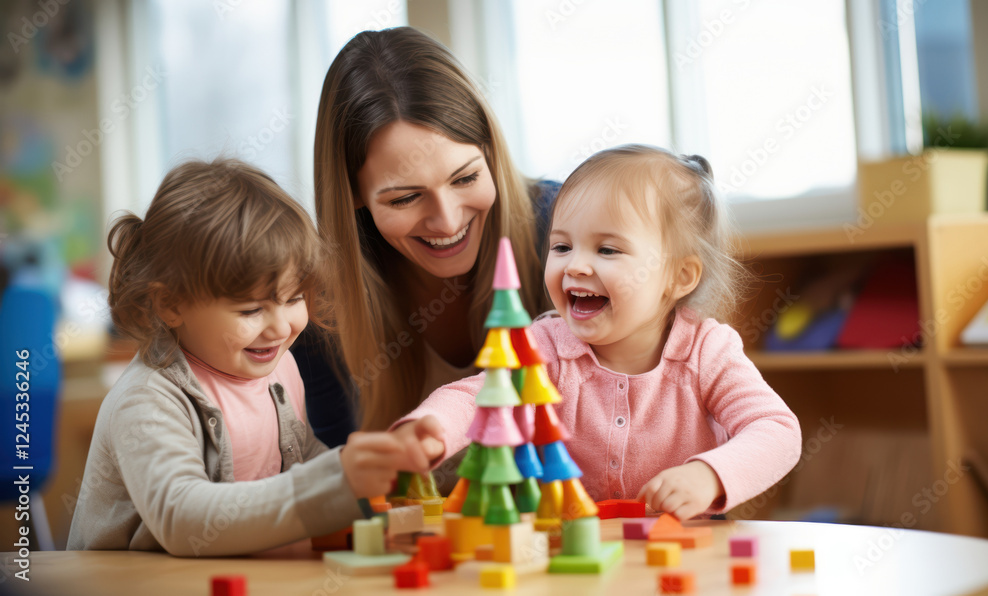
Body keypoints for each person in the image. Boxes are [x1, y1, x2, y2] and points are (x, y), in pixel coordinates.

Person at [391, 145, 802, 520]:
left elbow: (776, 431)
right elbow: (478, 397)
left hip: (681, 554)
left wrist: (709, 476)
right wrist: (427, 430)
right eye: (562, 247)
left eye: (607, 250)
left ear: (679, 276)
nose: (575, 266)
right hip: (566, 555)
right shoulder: (545, 346)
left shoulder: (707, 351)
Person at [67, 158, 443, 555]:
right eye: (250, 310)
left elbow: (303, 461)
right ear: (170, 304)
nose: (281, 328)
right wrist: (336, 482)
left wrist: (376, 469)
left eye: (295, 298)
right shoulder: (148, 401)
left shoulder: (279, 367)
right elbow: (181, 518)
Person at [296, 27, 559, 449]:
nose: (447, 220)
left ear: (490, 151)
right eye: (406, 198)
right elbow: (340, 474)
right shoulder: (312, 306)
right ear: (353, 195)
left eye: (466, 177)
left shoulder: (566, 233)